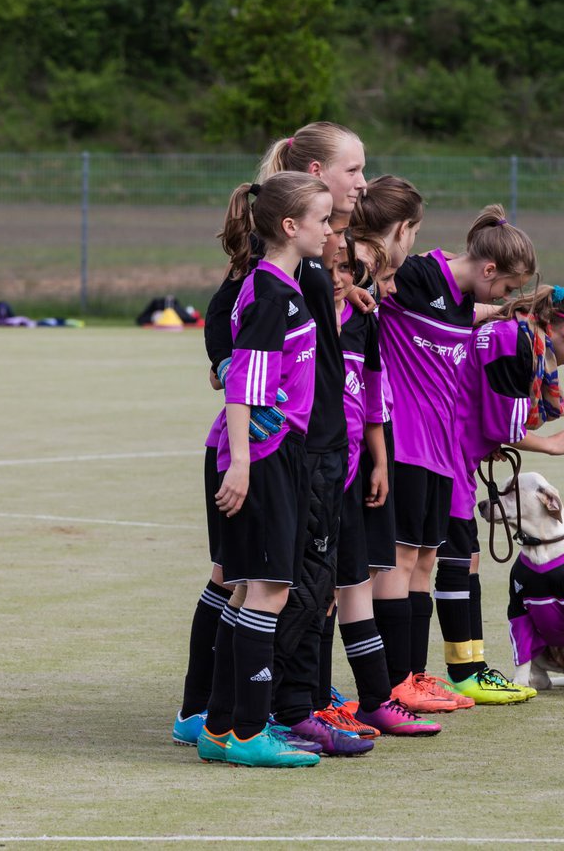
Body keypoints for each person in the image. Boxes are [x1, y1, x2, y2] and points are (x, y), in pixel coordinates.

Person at [374, 204, 539, 711]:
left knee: (425, 560)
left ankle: (417, 677)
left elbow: (475, 313)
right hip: (404, 443)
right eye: (507, 287)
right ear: (488, 268)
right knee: (400, 561)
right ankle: (392, 682)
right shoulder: (418, 273)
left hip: (443, 453)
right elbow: (367, 268)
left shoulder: (465, 302)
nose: (504, 296)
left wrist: (528, 309)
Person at [195, 172, 333, 769]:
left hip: (277, 456)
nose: (330, 231)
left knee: (251, 587)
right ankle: (250, 733)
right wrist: (243, 467)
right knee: (270, 590)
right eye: (323, 221)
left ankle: (221, 729)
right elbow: (243, 388)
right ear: (290, 226)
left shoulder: (282, 287)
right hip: (263, 459)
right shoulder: (270, 294)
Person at [254, 123, 378, 754]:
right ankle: (265, 711)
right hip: (300, 451)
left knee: (317, 585)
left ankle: (300, 704)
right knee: (287, 586)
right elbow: (241, 359)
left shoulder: (316, 260)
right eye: (352, 170)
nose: (362, 182)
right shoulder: (278, 271)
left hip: (332, 447)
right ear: (313, 174)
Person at [435, 284, 564, 703]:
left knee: (457, 558)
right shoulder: (520, 342)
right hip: (444, 450)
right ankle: (462, 672)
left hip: (449, 446)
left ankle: (467, 668)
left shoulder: (511, 331)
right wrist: (549, 444)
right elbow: (501, 427)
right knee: (449, 561)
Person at [319, 178, 442, 736]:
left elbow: (368, 380)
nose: (389, 288)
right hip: (327, 448)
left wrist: (379, 456)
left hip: (364, 440)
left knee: (359, 573)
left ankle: (376, 692)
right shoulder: (351, 272)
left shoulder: (362, 286)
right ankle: (324, 697)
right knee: (338, 578)